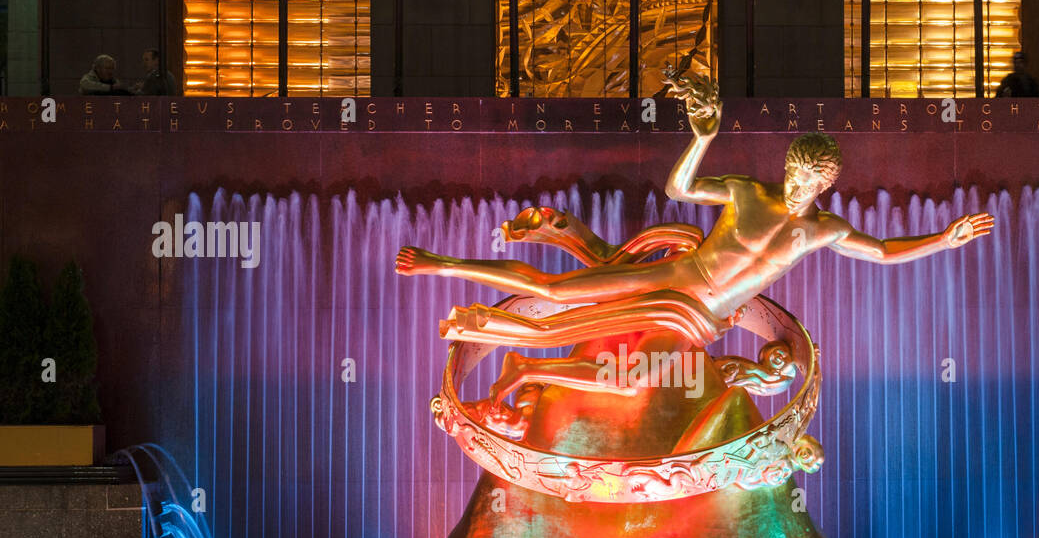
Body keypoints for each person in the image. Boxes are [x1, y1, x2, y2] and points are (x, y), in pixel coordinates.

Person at [396, 69, 994, 404]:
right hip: (678, 276)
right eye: (792, 171)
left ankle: (520, 365)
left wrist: (945, 237)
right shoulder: (747, 192)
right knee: (558, 291)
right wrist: (703, 136)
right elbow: (680, 190)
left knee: (629, 386)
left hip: (706, 320)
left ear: (825, 184)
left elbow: (884, 252)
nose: (794, 184)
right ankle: (441, 263)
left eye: (808, 179)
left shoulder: (821, 229)